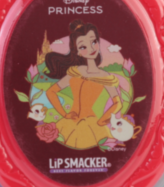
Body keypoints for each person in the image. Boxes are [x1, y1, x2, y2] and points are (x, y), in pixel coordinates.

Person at [46, 20, 122, 150]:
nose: (91, 49)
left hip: (92, 123)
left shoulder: (104, 76)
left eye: (94, 42)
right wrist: (64, 114)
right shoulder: (75, 72)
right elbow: (50, 91)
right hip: (69, 122)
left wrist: (103, 119)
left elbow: (117, 103)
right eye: (83, 47)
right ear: (77, 51)